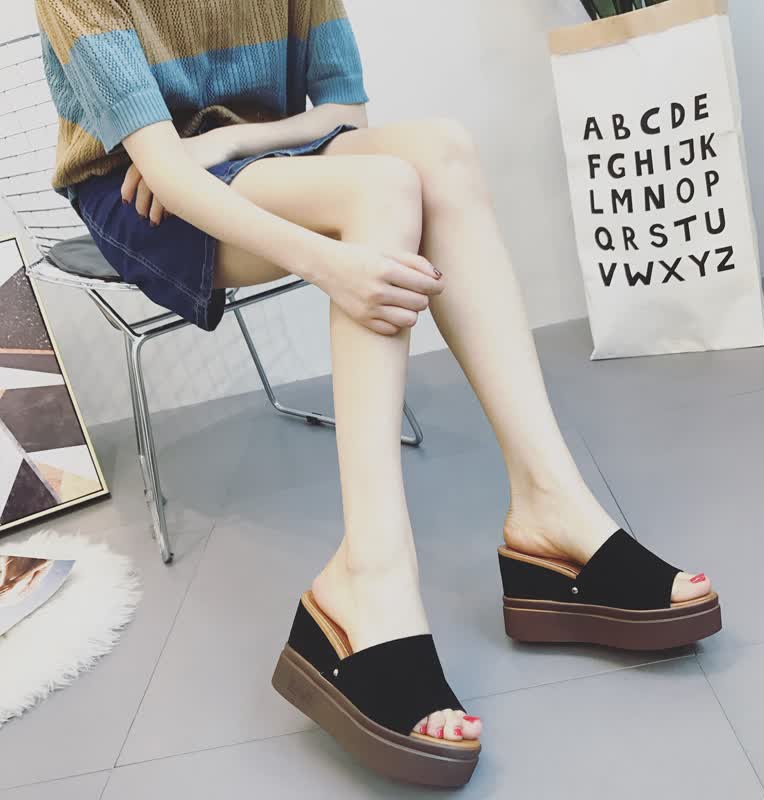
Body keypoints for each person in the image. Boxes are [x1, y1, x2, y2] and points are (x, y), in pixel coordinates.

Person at [36, 0, 721, 787]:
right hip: (142, 195)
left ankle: (551, 507)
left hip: (258, 161)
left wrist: (230, 138)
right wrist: (329, 263)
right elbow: (163, 172)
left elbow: (345, 114)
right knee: (381, 191)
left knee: (443, 151)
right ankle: (369, 579)